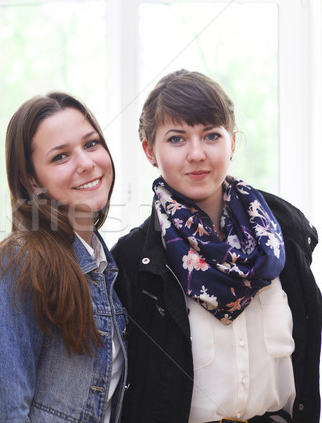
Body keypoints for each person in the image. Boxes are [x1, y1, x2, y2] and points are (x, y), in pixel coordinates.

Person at [111, 69, 322, 423]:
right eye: (177, 139)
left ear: (232, 143)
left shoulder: (284, 231)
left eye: (211, 136)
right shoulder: (132, 260)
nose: (197, 154)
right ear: (150, 150)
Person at [0, 92, 128, 422]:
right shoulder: (16, 266)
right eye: (60, 157)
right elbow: (3, 415)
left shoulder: (103, 266)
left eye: (92, 144)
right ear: (32, 181)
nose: (86, 163)